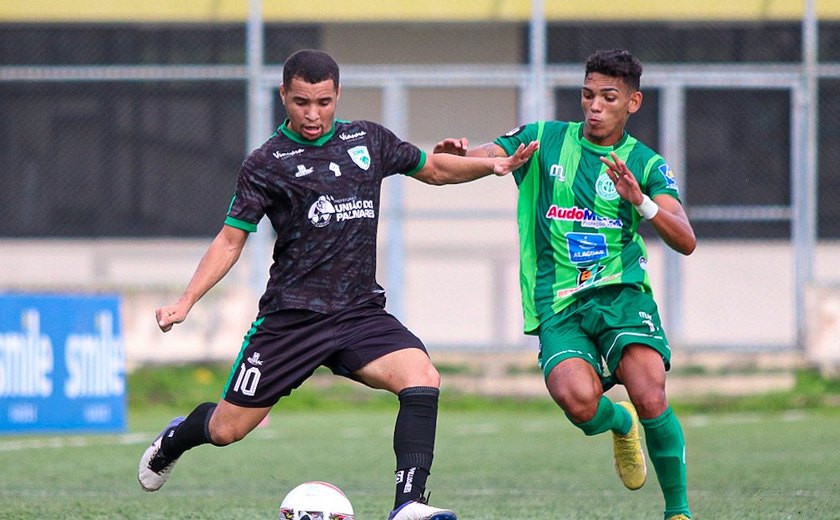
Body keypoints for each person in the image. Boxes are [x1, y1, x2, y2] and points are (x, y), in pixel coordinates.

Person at [137, 49, 537, 520]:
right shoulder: (267, 163)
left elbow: (433, 168)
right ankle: (175, 438)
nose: (313, 114)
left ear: (337, 95)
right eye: (301, 101)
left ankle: (408, 505)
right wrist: (186, 302)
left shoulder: (367, 139)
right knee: (227, 429)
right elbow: (229, 240)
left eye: (323, 102)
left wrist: (488, 166)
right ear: (283, 95)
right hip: (292, 320)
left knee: (423, 377)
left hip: (358, 314)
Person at [434, 49, 695, 520]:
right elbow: (486, 157)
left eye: (608, 97)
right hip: (558, 304)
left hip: (620, 295)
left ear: (632, 103)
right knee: (579, 403)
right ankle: (619, 421)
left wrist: (642, 203)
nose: (595, 105)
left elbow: (686, 239)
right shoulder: (544, 139)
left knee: (651, 391)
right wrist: (457, 159)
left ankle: (677, 511)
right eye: (588, 94)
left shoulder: (646, 163)